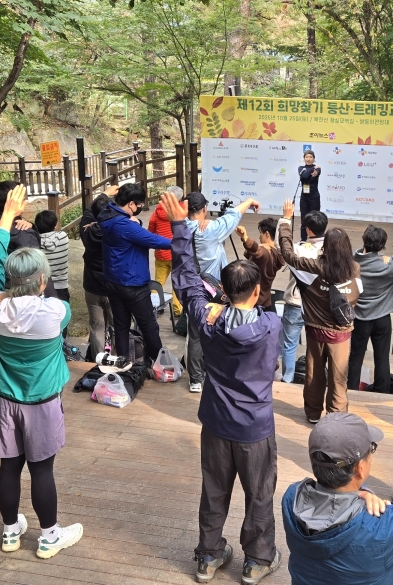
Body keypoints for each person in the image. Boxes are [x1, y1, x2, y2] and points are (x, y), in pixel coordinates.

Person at [161, 191, 282, 585]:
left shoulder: (207, 317)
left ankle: (209, 556)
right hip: (254, 427)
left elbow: (186, 278)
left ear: (225, 291)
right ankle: (257, 560)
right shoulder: (270, 325)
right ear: (256, 292)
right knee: (259, 494)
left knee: (214, 491)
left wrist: (181, 229)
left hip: (215, 422)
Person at [0, 185, 83, 559]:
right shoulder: (55, 314)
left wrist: (6, 217)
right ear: (42, 281)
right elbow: (50, 293)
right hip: (42, 401)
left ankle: (10, 532)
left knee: (9, 467)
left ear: (9, 279)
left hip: (5, 400)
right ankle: (49, 536)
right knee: (41, 471)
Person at [282, 399, 393, 585]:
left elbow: (330, 501)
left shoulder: (292, 499)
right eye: (371, 449)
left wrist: (358, 494)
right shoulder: (380, 528)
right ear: (359, 468)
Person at [279, 201, 362, 424]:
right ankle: (336, 417)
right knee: (339, 378)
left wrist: (285, 221)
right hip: (342, 333)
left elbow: (288, 254)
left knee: (314, 375)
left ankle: (313, 413)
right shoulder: (354, 268)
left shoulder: (316, 266)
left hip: (316, 331)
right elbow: (358, 293)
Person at [183, 192, 262, 392]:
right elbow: (233, 215)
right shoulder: (210, 230)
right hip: (215, 289)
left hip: (192, 286)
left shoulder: (181, 227)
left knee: (195, 334)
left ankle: (195, 380)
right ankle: (217, 373)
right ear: (204, 209)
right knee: (220, 329)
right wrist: (249, 201)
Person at [96, 182, 170, 368]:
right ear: (131, 204)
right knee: (149, 326)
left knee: (121, 325)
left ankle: (124, 363)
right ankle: (159, 365)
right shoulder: (124, 225)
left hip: (112, 281)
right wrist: (182, 240)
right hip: (133, 283)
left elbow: (134, 232)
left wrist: (136, 223)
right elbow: (154, 240)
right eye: (139, 204)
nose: (140, 207)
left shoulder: (107, 214)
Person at [350, 225, 393, 393]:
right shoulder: (389, 264)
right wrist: (389, 258)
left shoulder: (351, 262)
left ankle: (351, 390)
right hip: (382, 317)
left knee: (355, 357)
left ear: (363, 240)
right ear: (382, 245)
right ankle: (382, 391)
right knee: (382, 358)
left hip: (359, 318)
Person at [279, 211, 327, 384]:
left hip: (296, 304)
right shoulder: (330, 250)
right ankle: (314, 381)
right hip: (318, 306)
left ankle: (287, 380)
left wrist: (285, 219)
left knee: (289, 345)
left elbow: (282, 245)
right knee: (316, 346)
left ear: (308, 230)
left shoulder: (298, 249)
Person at [79, 190, 117, 360]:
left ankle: (99, 360)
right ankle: (116, 358)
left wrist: (102, 194)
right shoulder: (117, 231)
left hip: (92, 286)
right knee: (117, 325)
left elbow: (88, 214)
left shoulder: (87, 230)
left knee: (97, 326)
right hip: (113, 287)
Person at [149, 185, 185, 318]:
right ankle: (177, 310)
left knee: (158, 281)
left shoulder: (157, 211)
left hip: (161, 253)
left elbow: (151, 230)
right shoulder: (182, 211)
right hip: (177, 253)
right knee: (177, 282)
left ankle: (155, 305)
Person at [236, 218, 286, 310]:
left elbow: (257, 250)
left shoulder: (265, 253)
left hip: (254, 303)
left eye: (260, 234)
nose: (259, 237)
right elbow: (253, 253)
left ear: (267, 234)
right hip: (266, 300)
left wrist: (245, 238)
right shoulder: (277, 253)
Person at [35, 210, 71, 304]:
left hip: (43, 287)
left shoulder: (35, 242)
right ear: (55, 225)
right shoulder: (63, 237)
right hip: (62, 286)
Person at [298, 150, 321, 239]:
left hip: (314, 197)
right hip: (304, 198)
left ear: (313, 158)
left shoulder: (318, 169)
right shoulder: (301, 168)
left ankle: (315, 240)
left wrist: (315, 172)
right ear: (304, 158)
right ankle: (303, 240)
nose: (308, 159)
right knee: (304, 220)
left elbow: (315, 174)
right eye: (307, 157)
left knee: (315, 220)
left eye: (310, 157)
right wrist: (312, 169)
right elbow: (304, 176)